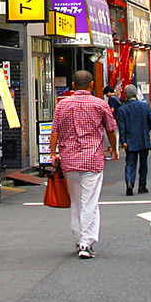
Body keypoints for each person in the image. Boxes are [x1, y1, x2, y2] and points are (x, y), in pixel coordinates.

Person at [49, 71, 118, 260]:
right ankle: (86, 243)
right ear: (92, 84)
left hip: (69, 160)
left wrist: (53, 153)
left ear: (73, 84)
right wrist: (113, 149)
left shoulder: (63, 105)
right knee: (90, 201)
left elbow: (55, 131)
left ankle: (79, 238)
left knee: (76, 200)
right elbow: (110, 129)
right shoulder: (100, 104)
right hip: (92, 159)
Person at [115, 83, 151, 196]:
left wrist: (123, 141)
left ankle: (129, 182)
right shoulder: (145, 106)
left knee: (130, 163)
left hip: (130, 139)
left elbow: (122, 127)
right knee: (143, 163)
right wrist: (147, 128)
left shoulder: (122, 109)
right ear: (136, 94)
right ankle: (142, 185)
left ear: (126, 95)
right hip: (143, 137)